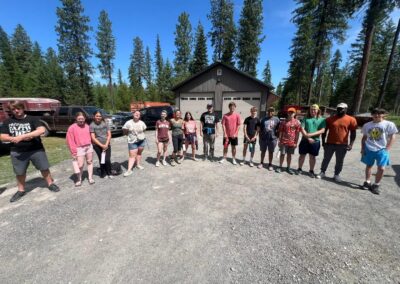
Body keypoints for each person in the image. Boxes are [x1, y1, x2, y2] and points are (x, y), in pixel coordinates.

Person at [0, 101, 60, 202]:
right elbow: (2, 137)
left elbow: (41, 130)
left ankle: (50, 183)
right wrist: (13, 139)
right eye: (13, 109)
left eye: (18, 108)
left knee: (44, 168)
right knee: (20, 172)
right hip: (18, 151)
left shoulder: (33, 118)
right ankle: (21, 190)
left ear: (22, 108)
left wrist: (23, 136)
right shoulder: (8, 121)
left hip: (36, 149)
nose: (16, 111)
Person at [316, 103, 357, 182]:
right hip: (330, 143)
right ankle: (322, 172)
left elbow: (353, 133)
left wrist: (351, 144)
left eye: (342, 108)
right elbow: (324, 132)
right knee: (326, 159)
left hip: (342, 145)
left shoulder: (351, 119)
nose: (340, 110)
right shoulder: (329, 119)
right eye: (338, 108)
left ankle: (336, 174)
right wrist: (323, 142)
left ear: (346, 109)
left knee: (339, 160)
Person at [360, 108, 397, 194]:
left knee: (381, 168)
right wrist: (362, 148)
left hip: (382, 149)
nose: (376, 115)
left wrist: (387, 148)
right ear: (372, 115)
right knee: (368, 166)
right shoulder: (367, 125)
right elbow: (364, 138)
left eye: (379, 114)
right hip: (369, 149)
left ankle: (376, 185)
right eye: (374, 114)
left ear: (383, 115)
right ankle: (367, 183)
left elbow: (393, 137)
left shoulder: (389, 124)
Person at [297, 104, 326, 177]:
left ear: (318, 110)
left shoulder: (322, 119)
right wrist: (308, 137)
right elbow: (302, 128)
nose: (313, 111)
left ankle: (311, 170)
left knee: (312, 157)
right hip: (305, 140)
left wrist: (311, 135)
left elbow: (322, 130)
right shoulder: (305, 118)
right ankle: (299, 169)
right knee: (302, 155)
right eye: (311, 109)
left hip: (315, 141)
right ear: (309, 110)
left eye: (314, 109)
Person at [66, 112, 95, 186]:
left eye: (82, 119)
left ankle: (90, 178)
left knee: (90, 162)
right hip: (79, 148)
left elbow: (92, 137)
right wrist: (73, 152)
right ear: (76, 119)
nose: (81, 120)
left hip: (88, 147)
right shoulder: (72, 128)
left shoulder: (88, 126)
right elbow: (70, 141)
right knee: (80, 165)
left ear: (85, 119)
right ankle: (79, 179)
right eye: (79, 119)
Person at [276, 107, 301, 174]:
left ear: (294, 113)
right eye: (289, 112)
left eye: (292, 112)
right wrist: (279, 141)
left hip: (292, 142)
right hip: (284, 141)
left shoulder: (297, 122)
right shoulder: (283, 122)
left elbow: (297, 133)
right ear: (287, 113)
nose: (290, 114)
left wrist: (296, 142)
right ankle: (280, 167)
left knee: (289, 155)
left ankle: (288, 167)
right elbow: (281, 132)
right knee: (282, 154)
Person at [122, 110, 147, 176]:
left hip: (141, 140)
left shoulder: (142, 123)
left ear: (140, 116)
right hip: (132, 141)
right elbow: (124, 131)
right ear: (133, 114)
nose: (137, 114)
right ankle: (129, 170)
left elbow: (144, 130)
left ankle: (138, 165)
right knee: (132, 156)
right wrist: (128, 132)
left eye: (139, 114)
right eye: (136, 113)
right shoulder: (128, 122)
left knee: (139, 153)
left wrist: (140, 135)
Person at [90, 111, 112, 179]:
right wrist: (102, 146)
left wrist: (106, 144)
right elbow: (93, 138)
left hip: (106, 143)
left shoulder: (105, 123)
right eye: (97, 116)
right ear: (94, 116)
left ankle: (109, 172)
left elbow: (109, 134)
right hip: (97, 145)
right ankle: (103, 173)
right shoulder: (92, 125)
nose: (98, 117)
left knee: (107, 159)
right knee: (102, 159)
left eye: (99, 116)